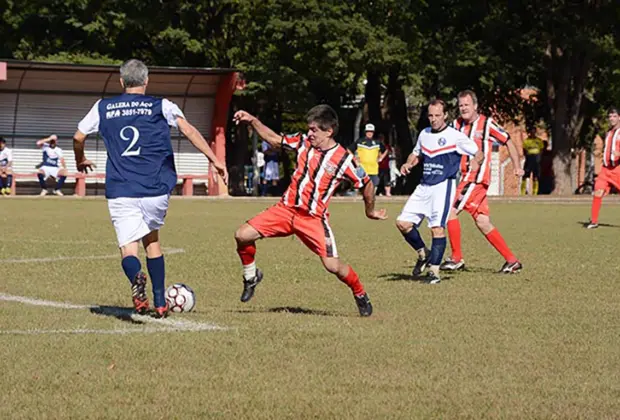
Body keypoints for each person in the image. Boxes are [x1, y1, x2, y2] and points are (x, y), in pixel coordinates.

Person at [73, 59, 228, 318]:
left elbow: (78, 136)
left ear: (121, 82)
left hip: (121, 187)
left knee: (128, 248)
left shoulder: (103, 107)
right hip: (156, 188)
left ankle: (136, 277)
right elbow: (187, 130)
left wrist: (80, 158)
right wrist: (214, 159)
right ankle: (159, 302)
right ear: (147, 81)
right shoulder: (162, 105)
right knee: (152, 241)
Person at [233, 105, 387, 317]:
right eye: (309, 129)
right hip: (285, 210)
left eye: (314, 130)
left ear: (329, 131)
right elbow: (275, 140)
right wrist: (252, 119)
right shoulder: (303, 143)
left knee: (333, 266)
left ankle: (359, 292)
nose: (310, 133)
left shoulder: (343, 159)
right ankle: (251, 276)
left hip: (313, 219)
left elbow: (367, 183)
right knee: (242, 235)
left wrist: (370, 211)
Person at [441, 90, 524, 274]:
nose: (463, 108)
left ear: (475, 106)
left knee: (449, 211)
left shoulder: (486, 124)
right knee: (483, 222)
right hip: (463, 178)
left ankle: (456, 258)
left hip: (475, 179)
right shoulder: (455, 125)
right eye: (461, 105)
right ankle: (512, 261)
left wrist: (517, 167)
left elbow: (508, 141)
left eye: (466, 105)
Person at [396, 99, 479, 284]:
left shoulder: (454, 136)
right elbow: (416, 153)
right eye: (431, 115)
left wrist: (476, 161)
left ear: (445, 115)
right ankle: (423, 253)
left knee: (437, 228)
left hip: (443, 186)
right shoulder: (424, 134)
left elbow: (477, 151)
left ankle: (434, 272)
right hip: (424, 185)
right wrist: (409, 163)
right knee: (402, 223)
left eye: (437, 116)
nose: (433, 119)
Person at [587, 107, 620, 229]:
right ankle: (594, 221)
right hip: (606, 170)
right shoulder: (608, 132)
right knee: (598, 191)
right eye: (610, 116)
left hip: (617, 169)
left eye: (614, 116)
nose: (611, 118)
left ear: (619, 117)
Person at [348, 123, 384, 188]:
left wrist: (380, 158)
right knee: (362, 187)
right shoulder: (360, 141)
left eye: (371, 132)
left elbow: (385, 150)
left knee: (373, 187)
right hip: (362, 169)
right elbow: (349, 150)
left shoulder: (377, 142)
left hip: (374, 169)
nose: (369, 133)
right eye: (368, 131)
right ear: (365, 132)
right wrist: (355, 159)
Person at [521, 129, 545, 195]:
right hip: (529, 159)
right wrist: (527, 156)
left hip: (536, 159)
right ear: (529, 133)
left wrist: (539, 157)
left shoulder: (539, 141)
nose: (532, 133)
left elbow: (541, 149)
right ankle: (522, 192)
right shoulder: (526, 141)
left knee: (536, 177)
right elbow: (524, 149)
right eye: (531, 132)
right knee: (525, 176)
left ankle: (535, 193)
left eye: (534, 132)